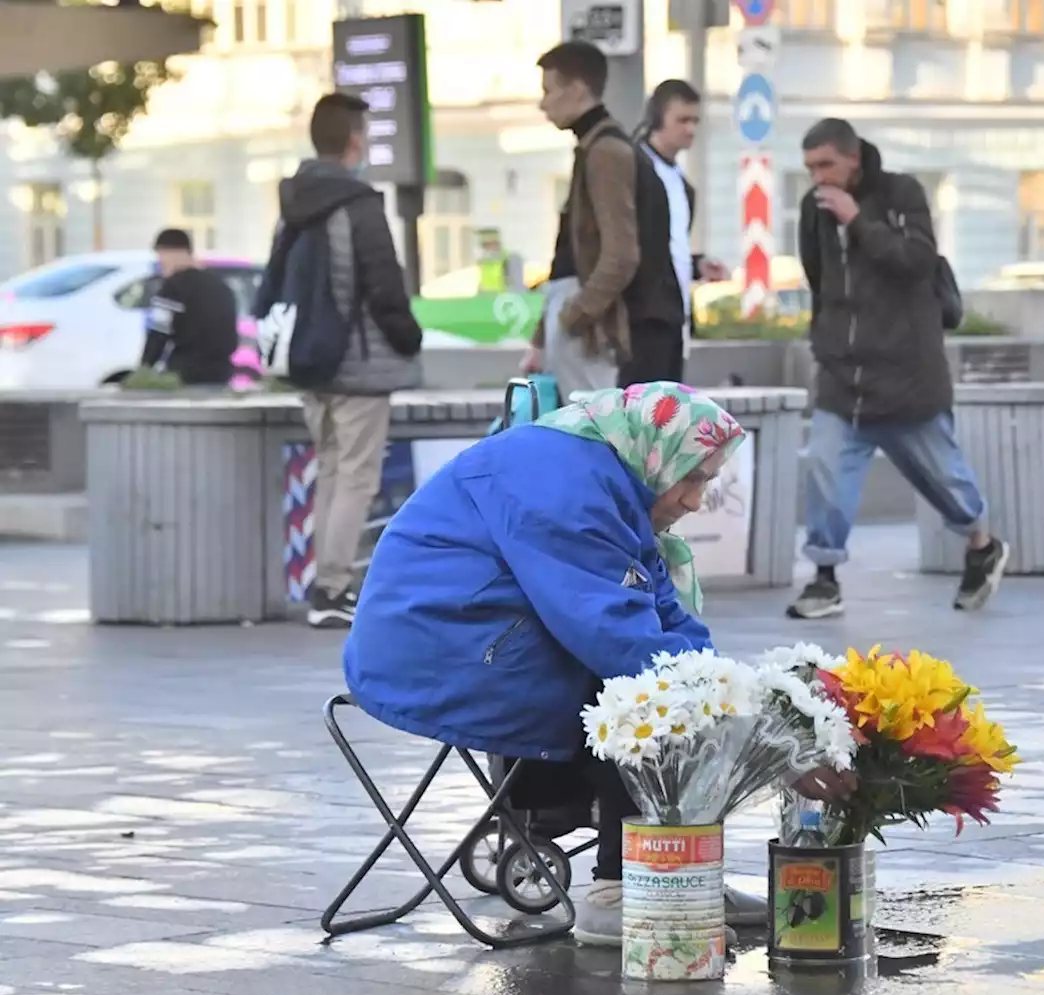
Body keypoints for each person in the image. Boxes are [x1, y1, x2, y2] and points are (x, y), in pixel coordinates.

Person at [345, 382, 835, 947]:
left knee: (674, 688)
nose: (697, 500)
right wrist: (762, 739)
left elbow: (661, 613)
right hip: (437, 655)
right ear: (657, 452)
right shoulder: (564, 484)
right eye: (694, 477)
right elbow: (617, 638)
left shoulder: (609, 473)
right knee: (643, 699)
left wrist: (745, 706)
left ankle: (677, 865)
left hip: (477, 632)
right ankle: (622, 886)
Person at [787, 118, 1009, 620]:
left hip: (907, 375)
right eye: (810, 168)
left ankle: (981, 543)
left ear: (852, 158)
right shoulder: (812, 209)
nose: (818, 177)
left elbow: (916, 260)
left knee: (945, 480)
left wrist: (858, 221)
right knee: (825, 470)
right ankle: (824, 578)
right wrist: (826, 339)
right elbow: (818, 277)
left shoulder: (900, 193)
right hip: (844, 379)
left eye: (826, 165)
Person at [255, 92, 423, 629]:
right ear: (354, 139)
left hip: (310, 362)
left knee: (329, 468)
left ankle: (323, 586)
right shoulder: (358, 203)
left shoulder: (294, 205)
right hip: (359, 365)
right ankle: (330, 588)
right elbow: (385, 287)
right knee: (355, 477)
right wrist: (408, 338)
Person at [519, 42, 685, 394]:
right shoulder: (599, 147)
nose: (543, 103)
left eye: (549, 90)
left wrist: (571, 318)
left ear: (577, 90)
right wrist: (545, 332)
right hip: (620, 323)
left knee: (598, 438)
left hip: (617, 332)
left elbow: (620, 256)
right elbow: (571, 251)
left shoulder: (606, 151)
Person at [636, 79, 729, 371]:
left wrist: (696, 264)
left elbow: (665, 249)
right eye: (682, 120)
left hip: (674, 320)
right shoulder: (635, 169)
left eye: (695, 121)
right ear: (657, 118)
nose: (690, 129)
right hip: (639, 322)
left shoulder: (682, 185)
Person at [140, 228, 237, 386]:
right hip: (221, 373)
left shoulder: (171, 289)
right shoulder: (221, 287)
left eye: (161, 255)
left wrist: (144, 370)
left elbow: (158, 334)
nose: (160, 262)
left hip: (184, 373)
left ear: (173, 253)